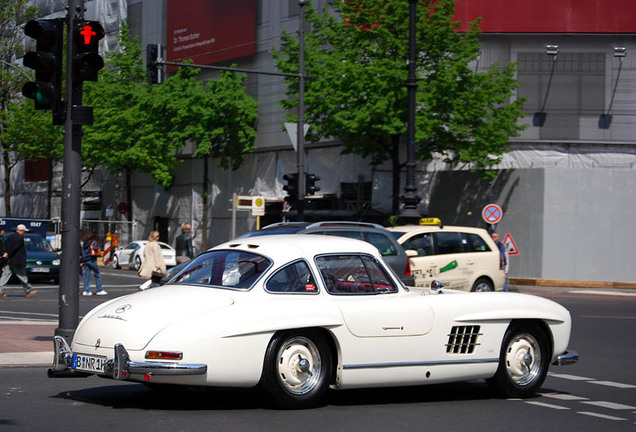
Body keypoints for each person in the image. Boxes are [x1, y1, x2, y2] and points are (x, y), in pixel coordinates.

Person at [0, 224, 38, 298]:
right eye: (24, 231)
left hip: (9, 261)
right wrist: (9, 253)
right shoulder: (19, 238)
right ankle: (29, 290)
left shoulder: (10, 237)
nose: (24, 233)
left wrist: (5, 253)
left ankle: (0, 290)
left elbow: (5, 246)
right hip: (16, 260)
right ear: (21, 231)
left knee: (5, 276)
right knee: (22, 276)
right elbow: (15, 248)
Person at [81, 232, 107, 296]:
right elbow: (95, 248)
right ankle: (99, 289)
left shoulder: (85, 243)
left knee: (87, 275)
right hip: (92, 259)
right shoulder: (94, 242)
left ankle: (86, 290)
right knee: (97, 275)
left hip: (86, 260)